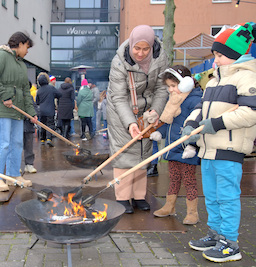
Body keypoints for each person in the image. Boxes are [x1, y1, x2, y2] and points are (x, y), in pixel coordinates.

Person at [182, 22, 256, 263]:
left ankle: (230, 243)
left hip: (229, 148)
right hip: (208, 149)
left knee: (227, 196)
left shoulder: (246, 77)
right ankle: (215, 235)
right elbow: (200, 108)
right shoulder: (213, 81)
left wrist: (217, 123)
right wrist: (192, 124)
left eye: (220, 55)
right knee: (212, 196)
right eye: (215, 54)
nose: (215, 59)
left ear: (235, 55)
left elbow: (250, 112)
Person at [107, 25, 169, 214]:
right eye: (137, 48)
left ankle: (139, 195)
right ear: (131, 45)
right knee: (124, 153)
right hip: (121, 110)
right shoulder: (119, 62)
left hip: (146, 109)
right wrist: (130, 122)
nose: (140, 53)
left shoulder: (160, 58)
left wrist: (155, 111)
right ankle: (123, 197)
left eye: (145, 49)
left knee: (144, 152)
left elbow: (161, 88)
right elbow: (118, 97)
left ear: (151, 46)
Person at [149, 65, 202, 225]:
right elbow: (167, 120)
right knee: (173, 179)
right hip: (172, 147)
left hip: (187, 149)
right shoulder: (172, 101)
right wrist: (161, 132)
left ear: (185, 83)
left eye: (174, 86)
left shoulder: (194, 100)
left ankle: (193, 212)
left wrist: (192, 146)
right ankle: (169, 206)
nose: (171, 90)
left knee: (189, 180)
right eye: (169, 86)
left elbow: (197, 124)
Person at [0, 31, 37, 192]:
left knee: (17, 142)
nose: (27, 51)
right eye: (27, 47)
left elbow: (25, 90)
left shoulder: (21, 64)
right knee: (3, 143)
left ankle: (14, 175)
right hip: (3, 108)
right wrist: (5, 95)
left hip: (18, 110)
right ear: (20, 43)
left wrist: (31, 112)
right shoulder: (2, 56)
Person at [36, 72, 62, 147]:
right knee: (50, 124)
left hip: (42, 110)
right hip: (50, 109)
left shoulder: (39, 90)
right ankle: (49, 139)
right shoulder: (51, 88)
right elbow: (59, 94)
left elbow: (37, 101)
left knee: (43, 125)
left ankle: (42, 140)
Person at [23, 81, 38, 173]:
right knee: (17, 145)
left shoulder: (30, 97)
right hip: (19, 124)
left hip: (29, 125)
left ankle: (29, 164)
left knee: (29, 145)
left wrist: (34, 115)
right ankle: (16, 166)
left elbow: (34, 108)